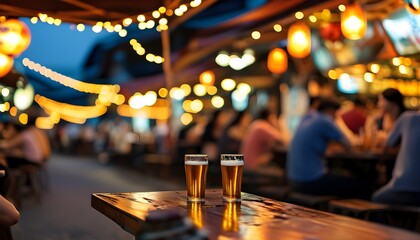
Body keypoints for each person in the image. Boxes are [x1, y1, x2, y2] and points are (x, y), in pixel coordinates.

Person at [286, 97, 371, 198]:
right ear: (330, 111)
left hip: (294, 180)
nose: (335, 117)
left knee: (340, 177)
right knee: (362, 185)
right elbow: (348, 143)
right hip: (310, 181)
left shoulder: (307, 117)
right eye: (335, 113)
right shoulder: (324, 120)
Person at [372, 109, 420, 206]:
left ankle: (382, 221)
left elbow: (386, 145)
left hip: (402, 187)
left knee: (375, 199)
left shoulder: (407, 118)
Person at [240, 108, 285, 173]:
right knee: (280, 173)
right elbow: (283, 139)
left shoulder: (256, 124)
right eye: (274, 117)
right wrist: (279, 125)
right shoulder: (262, 126)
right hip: (251, 167)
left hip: (246, 164)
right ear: (270, 117)